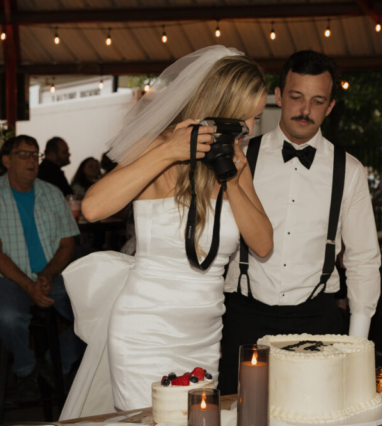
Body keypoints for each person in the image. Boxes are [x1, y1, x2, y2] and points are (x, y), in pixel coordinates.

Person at [59, 46, 273, 420]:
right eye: (245, 119)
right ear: (220, 110)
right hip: (145, 332)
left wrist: (233, 182)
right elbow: (92, 208)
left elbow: (263, 244)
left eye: (256, 119)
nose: (250, 130)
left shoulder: (238, 166)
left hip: (205, 334)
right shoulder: (158, 150)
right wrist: (170, 152)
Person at [219, 50, 382, 395]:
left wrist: (357, 341)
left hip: (318, 321)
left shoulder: (348, 170)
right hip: (244, 316)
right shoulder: (240, 156)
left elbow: (363, 257)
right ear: (278, 97)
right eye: (296, 97)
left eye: (317, 101)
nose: (305, 110)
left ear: (330, 107)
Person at [0, 135, 83, 402]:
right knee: (8, 316)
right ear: (6, 160)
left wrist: (46, 275)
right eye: (24, 155)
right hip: (3, 277)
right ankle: (26, 369)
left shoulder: (52, 193)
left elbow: (68, 245)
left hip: (49, 276)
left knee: (96, 311)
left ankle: (56, 362)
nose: (32, 160)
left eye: (35, 155)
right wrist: (29, 285)